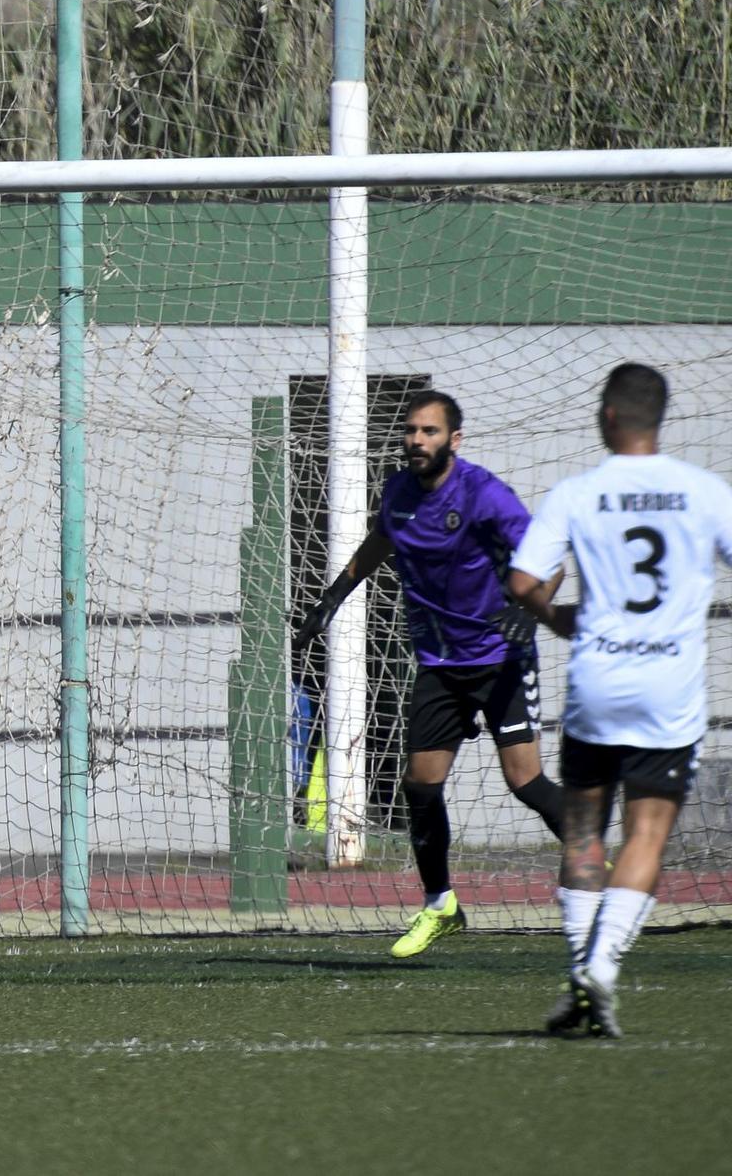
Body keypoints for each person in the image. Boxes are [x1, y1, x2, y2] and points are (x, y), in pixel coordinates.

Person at [295, 390, 567, 957]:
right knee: (420, 787)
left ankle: (595, 861)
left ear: (454, 440)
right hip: (441, 665)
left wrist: (526, 609)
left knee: (525, 783)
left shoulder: (484, 494)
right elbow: (377, 545)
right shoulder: (397, 492)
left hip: (501, 659)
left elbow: (549, 555)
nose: (417, 441)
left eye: (429, 432)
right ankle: (440, 905)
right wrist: (332, 600)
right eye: (411, 431)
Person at [507, 363, 732, 1038]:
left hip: (599, 683)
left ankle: (582, 971)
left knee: (583, 835)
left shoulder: (579, 493)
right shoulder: (703, 491)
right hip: (670, 690)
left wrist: (554, 619)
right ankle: (601, 967)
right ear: (659, 419)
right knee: (648, 834)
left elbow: (522, 581)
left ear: (607, 417)